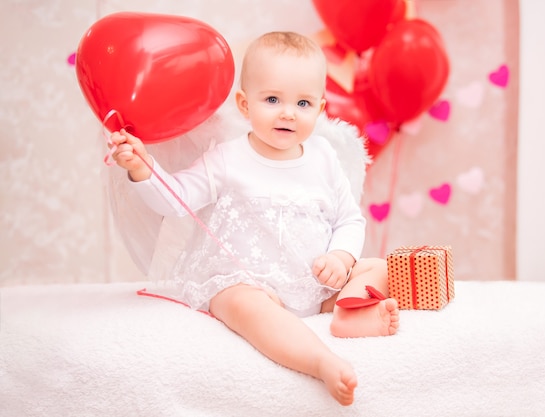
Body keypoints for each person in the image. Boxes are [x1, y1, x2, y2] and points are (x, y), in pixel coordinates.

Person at [109, 31, 399, 406]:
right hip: (248, 282)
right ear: (245, 105)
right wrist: (142, 168)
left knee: (380, 267)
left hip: (313, 281)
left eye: (304, 102)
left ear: (321, 108)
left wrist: (341, 260)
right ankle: (318, 359)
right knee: (244, 305)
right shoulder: (229, 158)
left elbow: (350, 220)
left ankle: (347, 313)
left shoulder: (324, 157)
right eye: (273, 99)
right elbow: (174, 200)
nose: (288, 112)